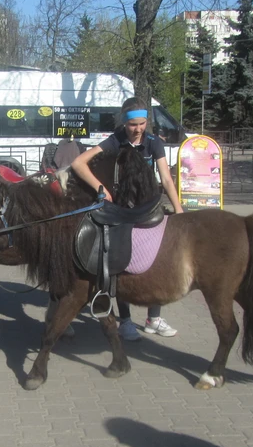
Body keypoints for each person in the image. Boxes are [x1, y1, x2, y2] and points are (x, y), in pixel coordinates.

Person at [71, 97, 185, 342]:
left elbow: (165, 179)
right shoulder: (115, 140)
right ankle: (125, 321)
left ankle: (153, 319)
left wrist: (179, 210)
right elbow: (78, 163)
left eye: (142, 123)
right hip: (122, 210)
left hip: (150, 207)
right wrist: (101, 187)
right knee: (122, 259)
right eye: (133, 124)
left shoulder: (154, 143)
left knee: (156, 259)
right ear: (125, 123)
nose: (138, 129)